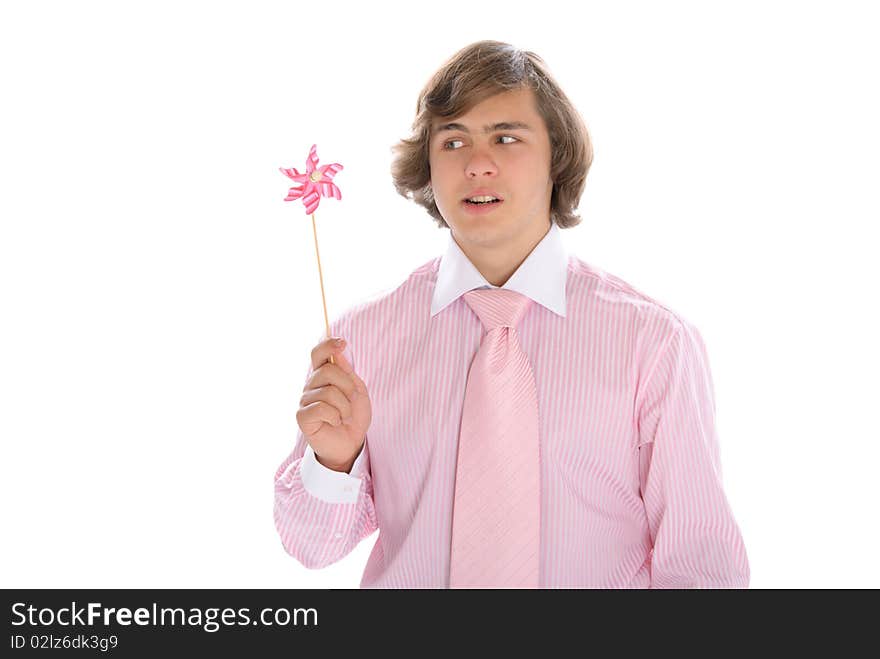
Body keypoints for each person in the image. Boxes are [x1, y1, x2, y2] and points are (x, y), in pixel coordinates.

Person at [273, 40, 750, 588]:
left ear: (557, 159)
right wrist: (335, 459)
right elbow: (310, 546)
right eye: (452, 141)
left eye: (506, 137)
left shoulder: (653, 343)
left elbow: (701, 569)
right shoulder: (359, 339)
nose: (477, 164)